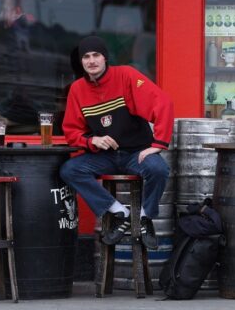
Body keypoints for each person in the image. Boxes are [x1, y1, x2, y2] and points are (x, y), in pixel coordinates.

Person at [59, 35, 172, 249]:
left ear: (105, 58)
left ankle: (145, 218)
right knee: (69, 170)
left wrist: (158, 144)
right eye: (86, 57)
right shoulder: (77, 89)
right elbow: (71, 131)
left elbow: (163, 102)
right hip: (105, 156)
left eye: (96, 55)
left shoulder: (126, 76)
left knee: (158, 170)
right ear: (81, 62)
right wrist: (93, 141)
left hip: (135, 154)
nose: (91, 61)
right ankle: (120, 212)